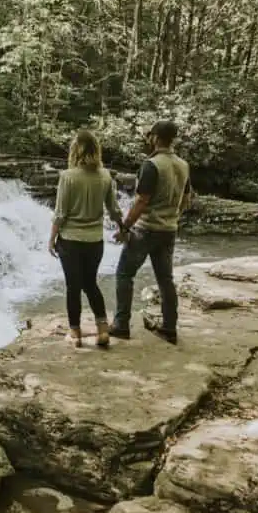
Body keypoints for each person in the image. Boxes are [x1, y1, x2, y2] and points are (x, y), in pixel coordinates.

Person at [110, 119, 191, 345]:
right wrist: (172, 216)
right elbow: (186, 198)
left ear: (155, 138)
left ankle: (121, 324)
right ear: (173, 139)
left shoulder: (151, 165)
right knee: (166, 279)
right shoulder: (183, 165)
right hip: (169, 230)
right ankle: (169, 328)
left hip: (145, 229)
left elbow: (141, 201)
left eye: (151, 136)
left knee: (124, 274)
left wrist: (125, 227)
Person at [48, 130, 124, 348]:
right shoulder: (106, 176)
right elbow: (114, 210)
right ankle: (102, 330)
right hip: (95, 241)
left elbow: (61, 213)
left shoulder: (67, 177)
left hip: (70, 240)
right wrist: (123, 229)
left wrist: (52, 238)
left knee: (73, 286)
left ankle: (75, 332)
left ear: (76, 150)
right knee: (90, 283)